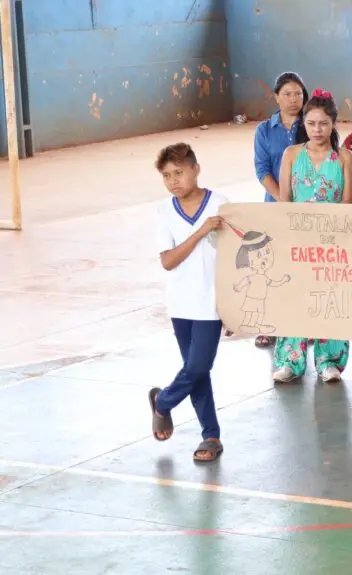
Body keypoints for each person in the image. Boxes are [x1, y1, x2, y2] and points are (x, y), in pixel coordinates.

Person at [149, 142, 228, 462]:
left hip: (212, 302)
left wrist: (234, 307)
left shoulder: (221, 204)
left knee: (198, 366)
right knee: (197, 372)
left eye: (179, 173)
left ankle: (163, 402)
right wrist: (199, 232)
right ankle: (210, 435)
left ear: (196, 169)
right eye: (166, 176)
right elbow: (168, 261)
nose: (173, 181)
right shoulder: (164, 211)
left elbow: (235, 258)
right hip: (181, 302)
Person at [271, 89, 352, 383]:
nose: (317, 130)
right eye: (311, 124)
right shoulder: (292, 155)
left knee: (329, 298)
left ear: (333, 123)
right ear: (303, 125)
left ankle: (328, 359)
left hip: (332, 245)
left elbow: (348, 205)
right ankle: (290, 361)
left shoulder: (345, 158)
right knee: (295, 297)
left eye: (323, 123)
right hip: (298, 241)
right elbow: (284, 199)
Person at [252, 71, 308, 348]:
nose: (293, 99)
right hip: (276, 208)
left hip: (309, 209)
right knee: (272, 266)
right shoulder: (264, 130)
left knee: (305, 266)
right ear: (276, 97)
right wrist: (281, 198)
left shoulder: (312, 125)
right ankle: (270, 325)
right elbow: (262, 169)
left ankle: (306, 325)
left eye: (298, 93)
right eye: (287, 93)